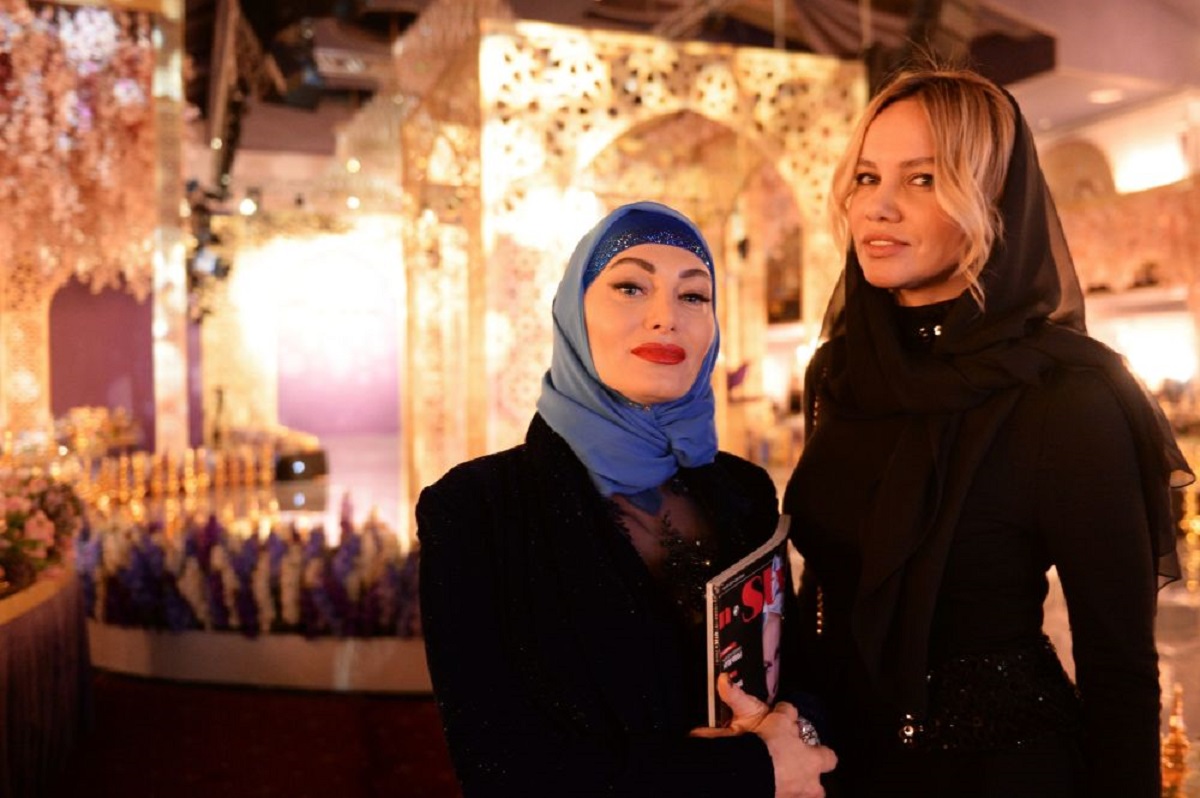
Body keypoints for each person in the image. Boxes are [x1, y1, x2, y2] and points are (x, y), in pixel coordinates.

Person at [783, 63, 1194, 797]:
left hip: (1001, 772)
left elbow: (1119, 668)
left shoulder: (1068, 396)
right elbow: (826, 589)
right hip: (837, 765)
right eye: (867, 178)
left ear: (991, 199)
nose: (879, 206)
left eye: (922, 179)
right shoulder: (840, 374)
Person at [417, 200, 837, 797]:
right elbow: (503, 767)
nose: (666, 317)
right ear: (573, 312)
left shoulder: (741, 489)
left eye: (693, 296)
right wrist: (752, 769)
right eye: (631, 287)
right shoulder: (478, 508)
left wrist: (793, 732)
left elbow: (796, 669)